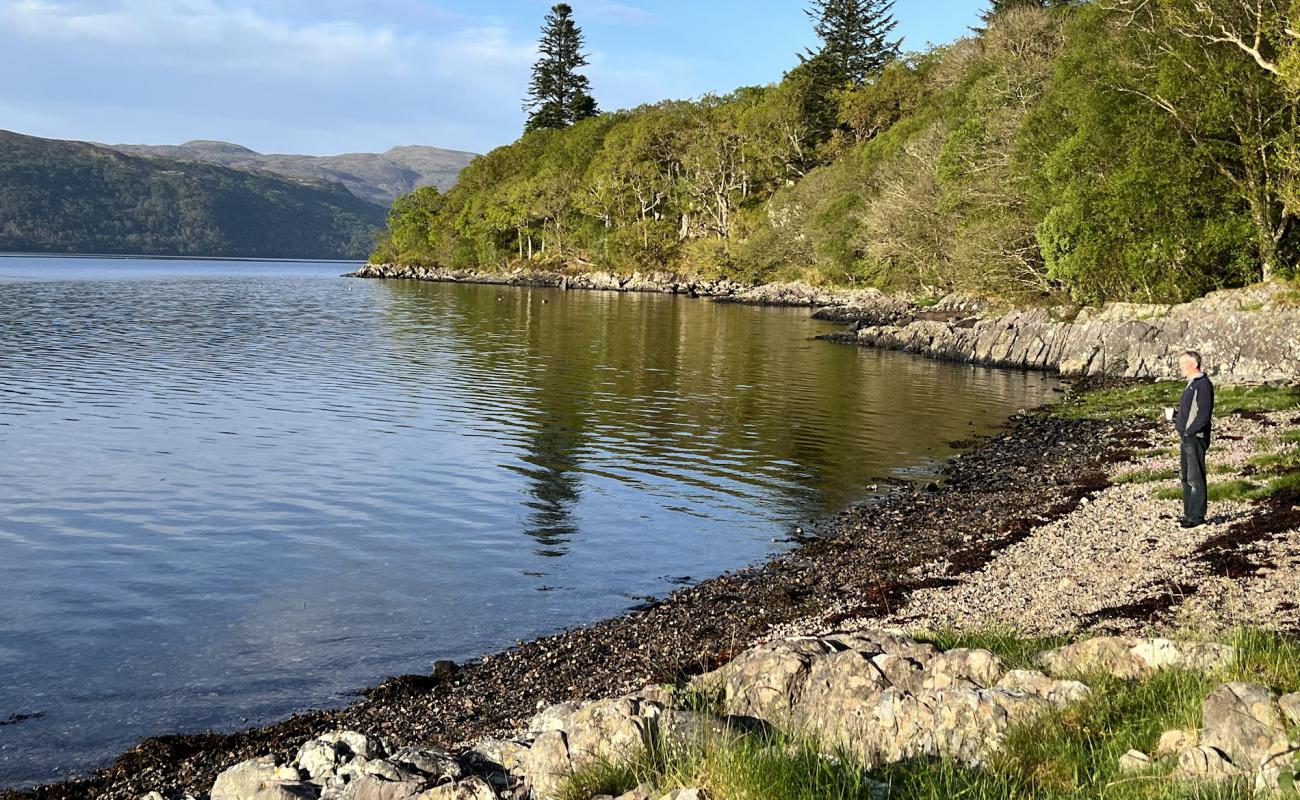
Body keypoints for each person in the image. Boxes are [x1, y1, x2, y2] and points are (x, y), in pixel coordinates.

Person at [1164, 351, 1215, 528]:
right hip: (1187, 436)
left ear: (1194, 364)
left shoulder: (1203, 385)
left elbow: (1203, 414)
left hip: (1195, 438)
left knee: (1195, 477)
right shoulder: (1192, 384)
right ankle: (1189, 514)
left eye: (1183, 364)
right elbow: (1191, 411)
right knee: (1186, 477)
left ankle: (1197, 516)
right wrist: (1176, 417)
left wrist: (1190, 432)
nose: (1180, 368)